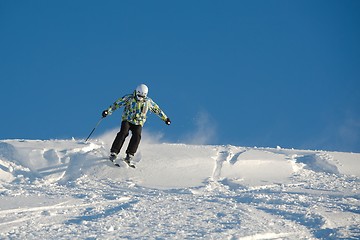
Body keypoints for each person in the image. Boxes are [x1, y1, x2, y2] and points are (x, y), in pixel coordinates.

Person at [102, 84, 171, 164]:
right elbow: (117, 104)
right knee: (123, 132)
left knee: (137, 135)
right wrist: (108, 111)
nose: (140, 98)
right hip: (127, 119)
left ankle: (129, 155)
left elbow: (157, 110)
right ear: (136, 92)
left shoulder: (148, 102)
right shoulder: (129, 98)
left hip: (138, 122)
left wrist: (165, 118)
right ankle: (114, 152)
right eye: (139, 95)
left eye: (142, 96)